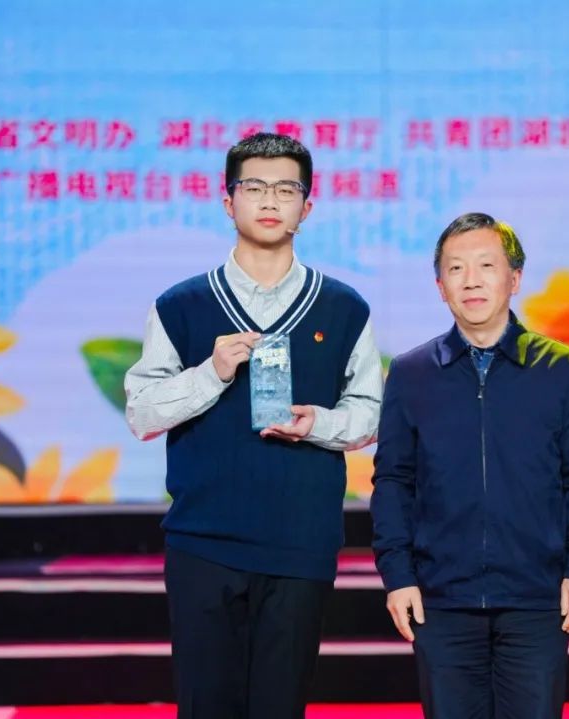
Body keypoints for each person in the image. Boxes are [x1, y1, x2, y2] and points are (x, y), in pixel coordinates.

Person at [124, 132, 382, 719]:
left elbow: (370, 413)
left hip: (300, 543)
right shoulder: (180, 305)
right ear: (228, 201)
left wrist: (317, 423)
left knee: (280, 706)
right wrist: (210, 373)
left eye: (286, 189)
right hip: (204, 542)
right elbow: (141, 412)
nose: (270, 200)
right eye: (255, 187)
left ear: (306, 207)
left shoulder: (344, 307)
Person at [370, 212, 569, 719]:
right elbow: (393, 481)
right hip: (441, 599)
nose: (471, 280)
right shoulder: (412, 374)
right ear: (441, 287)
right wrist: (397, 574)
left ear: (515, 279)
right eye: (456, 269)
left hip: (537, 598)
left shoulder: (561, 369)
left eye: (486, 265)